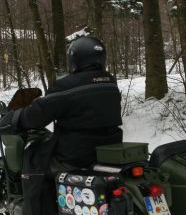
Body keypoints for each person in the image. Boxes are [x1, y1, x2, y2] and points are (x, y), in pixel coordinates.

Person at [12, 36, 123, 169]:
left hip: (76, 155)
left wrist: (18, 117)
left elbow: (38, 113)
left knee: (32, 157)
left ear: (76, 59)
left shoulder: (67, 86)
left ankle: (29, 184)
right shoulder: (111, 83)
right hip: (108, 149)